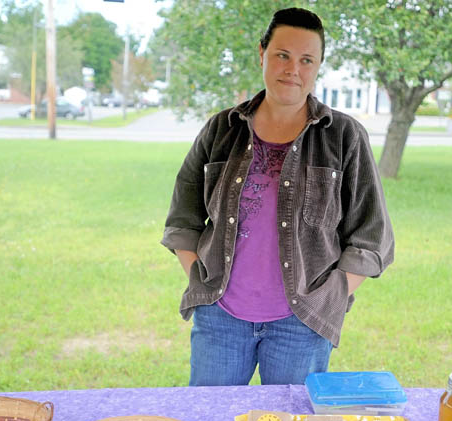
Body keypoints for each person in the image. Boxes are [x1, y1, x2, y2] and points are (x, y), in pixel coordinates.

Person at [161, 7, 394, 386]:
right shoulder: (222, 129)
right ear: (262, 54)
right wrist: (200, 280)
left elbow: (372, 237)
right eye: (282, 55)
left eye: (307, 60)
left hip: (301, 325)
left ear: (318, 66)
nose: (293, 69)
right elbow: (183, 220)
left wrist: (329, 297)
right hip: (221, 320)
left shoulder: (344, 137)